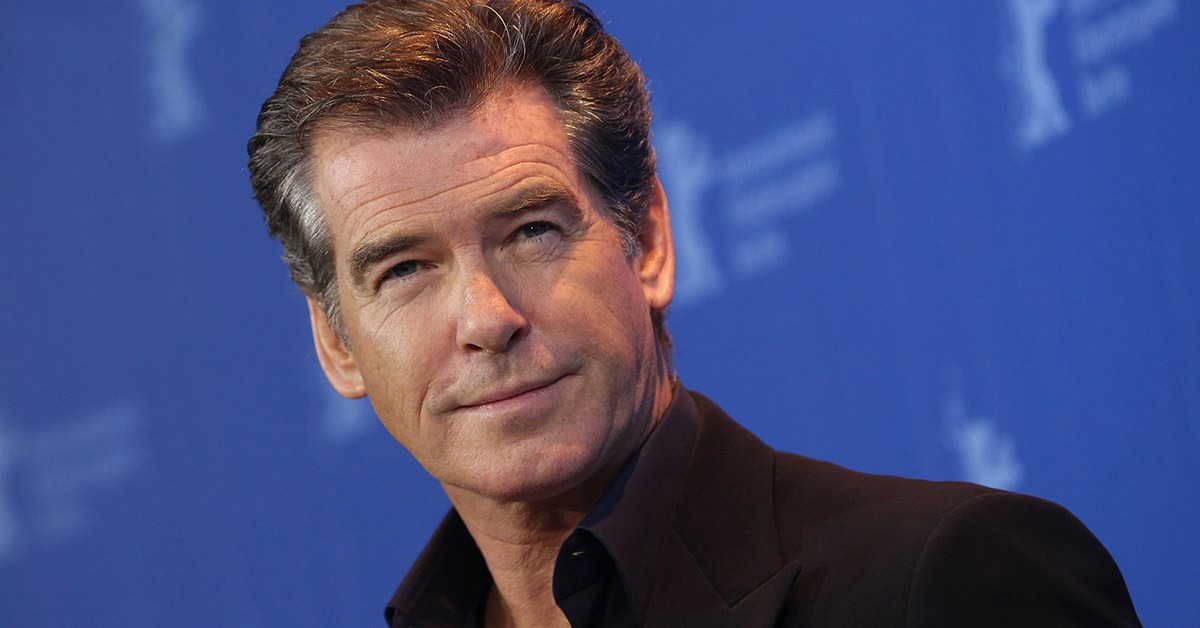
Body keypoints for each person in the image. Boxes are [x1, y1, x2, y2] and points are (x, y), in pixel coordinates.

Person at [247, 1, 1142, 626]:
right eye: (405, 269)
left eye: (530, 231)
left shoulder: (946, 585)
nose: (486, 318)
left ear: (647, 241)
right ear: (337, 342)